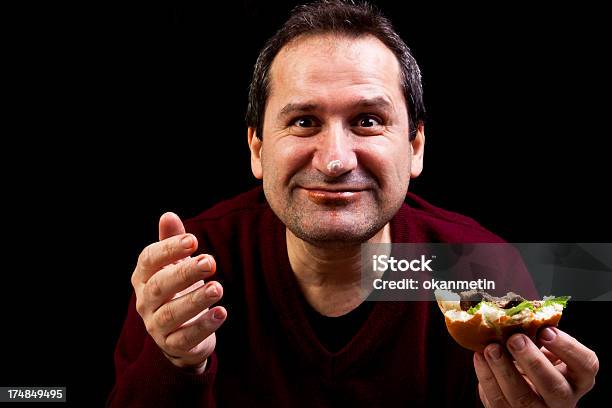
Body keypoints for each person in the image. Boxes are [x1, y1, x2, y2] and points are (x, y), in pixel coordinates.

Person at [108, 1, 598, 406]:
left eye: (367, 120)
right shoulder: (190, 271)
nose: (336, 160)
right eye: (303, 121)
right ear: (257, 148)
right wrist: (175, 364)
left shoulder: (483, 265)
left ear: (415, 147)